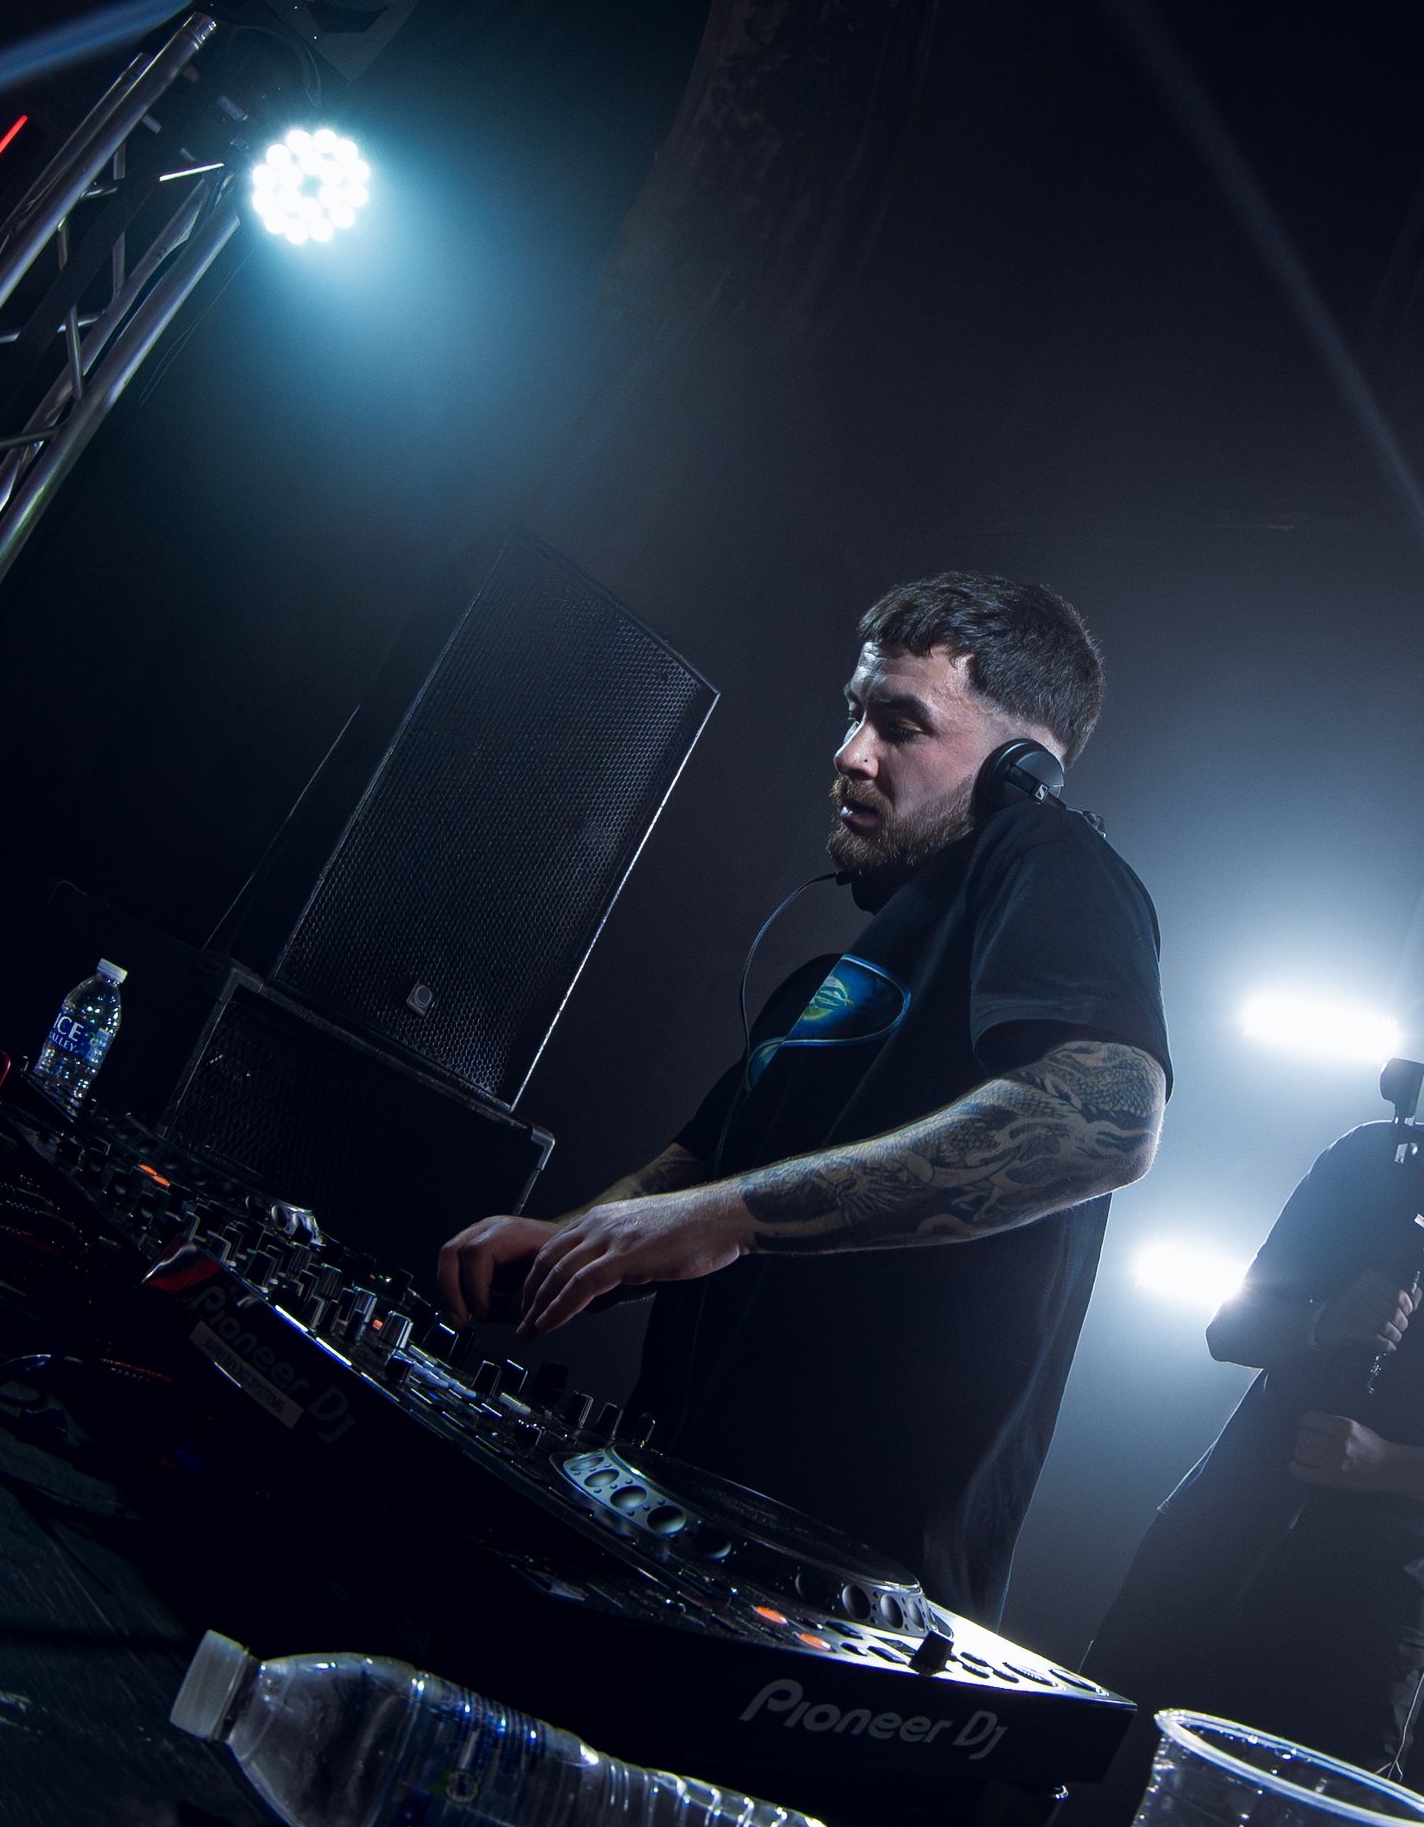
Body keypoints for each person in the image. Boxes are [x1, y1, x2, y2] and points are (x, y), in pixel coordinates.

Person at [437, 573, 1171, 1621]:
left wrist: (724, 1218)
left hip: (852, 1580)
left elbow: (1104, 1121)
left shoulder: (1053, 858)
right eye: (852, 715)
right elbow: (702, 1166)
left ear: (1024, 768)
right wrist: (570, 1244)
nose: (851, 754)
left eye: (900, 725)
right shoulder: (825, 984)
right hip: (683, 1513)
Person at [1066, 949, 1424, 1827]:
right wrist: (1321, 1324)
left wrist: (1386, 1466)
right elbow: (1229, 1329)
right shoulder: (1374, 1155)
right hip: (1220, 1537)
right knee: (1079, 1796)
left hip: (1374, 1613)